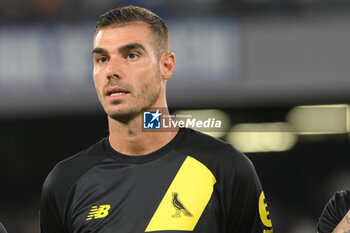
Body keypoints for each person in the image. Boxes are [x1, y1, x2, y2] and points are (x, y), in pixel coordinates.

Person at [40, 5, 273, 233]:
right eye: (102, 59)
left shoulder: (225, 168)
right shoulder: (65, 182)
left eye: (131, 55)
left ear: (166, 65)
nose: (111, 70)